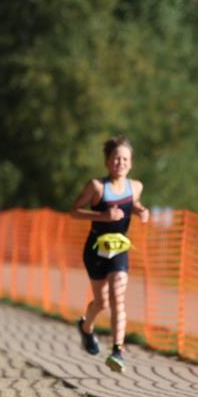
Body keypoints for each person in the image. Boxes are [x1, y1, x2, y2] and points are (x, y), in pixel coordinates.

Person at [70, 137, 150, 372]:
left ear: (131, 163)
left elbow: (132, 203)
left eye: (125, 159)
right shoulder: (96, 186)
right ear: (107, 161)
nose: (120, 162)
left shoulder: (135, 186)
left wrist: (141, 211)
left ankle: (117, 351)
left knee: (118, 296)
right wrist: (102, 217)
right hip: (95, 249)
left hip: (119, 248)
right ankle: (86, 328)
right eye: (116, 158)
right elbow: (74, 211)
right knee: (102, 302)